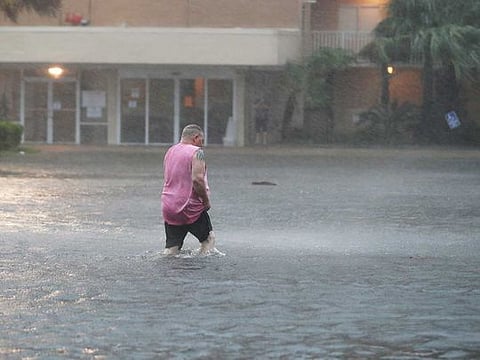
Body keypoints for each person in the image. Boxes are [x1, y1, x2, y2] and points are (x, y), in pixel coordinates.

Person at [161, 124, 215, 255]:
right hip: (190, 206)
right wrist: (206, 201)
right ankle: (202, 268)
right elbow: (197, 180)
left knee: (172, 248)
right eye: (202, 140)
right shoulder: (197, 152)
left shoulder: (170, 151)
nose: (202, 144)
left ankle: (167, 272)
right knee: (208, 240)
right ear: (196, 137)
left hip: (169, 206)